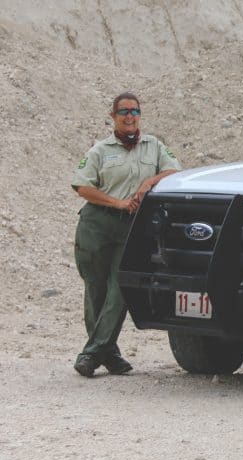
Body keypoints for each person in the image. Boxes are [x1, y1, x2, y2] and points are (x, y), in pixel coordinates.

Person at [71, 92, 182, 377]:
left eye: (135, 111)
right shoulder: (100, 150)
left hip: (133, 226)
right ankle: (109, 354)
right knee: (95, 288)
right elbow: (82, 186)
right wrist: (117, 202)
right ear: (113, 117)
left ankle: (91, 354)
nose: (130, 116)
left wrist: (149, 182)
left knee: (120, 288)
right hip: (98, 222)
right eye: (124, 111)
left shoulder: (153, 146)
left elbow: (173, 170)